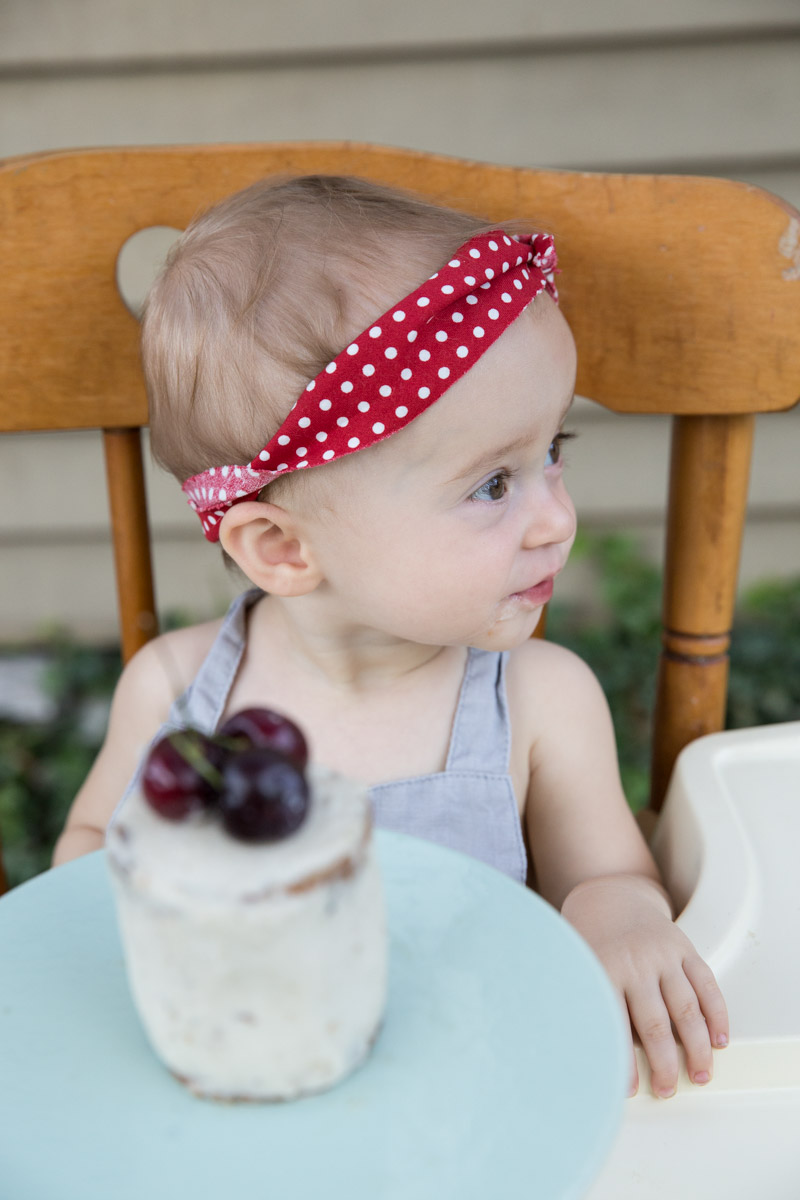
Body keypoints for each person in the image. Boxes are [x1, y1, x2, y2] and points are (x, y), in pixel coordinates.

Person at [53, 173, 728, 1098]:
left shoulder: (537, 699)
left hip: (469, 1095)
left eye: (553, 455)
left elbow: (606, 869)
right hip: (249, 1080)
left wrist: (621, 921)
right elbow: (94, 846)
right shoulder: (178, 698)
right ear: (283, 547)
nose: (557, 520)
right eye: (494, 485)